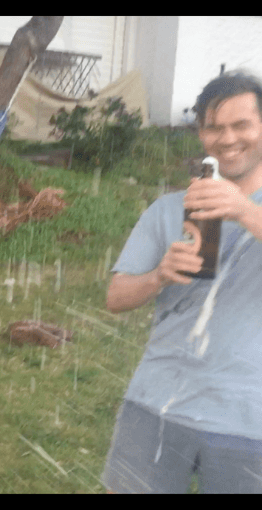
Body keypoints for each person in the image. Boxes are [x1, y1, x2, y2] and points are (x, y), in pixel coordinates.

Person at [102, 71, 262, 493]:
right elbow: (116, 297)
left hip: (249, 419)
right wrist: (158, 276)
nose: (227, 138)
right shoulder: (168, 208)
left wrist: (244, 211)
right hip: (156, 403)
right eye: (214, 127)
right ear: (201, 134)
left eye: (241, 125)